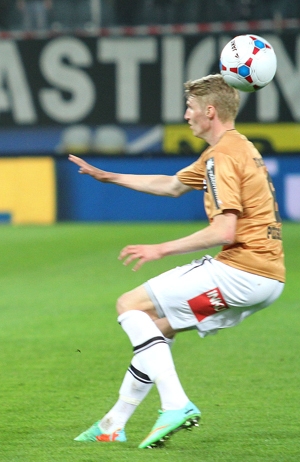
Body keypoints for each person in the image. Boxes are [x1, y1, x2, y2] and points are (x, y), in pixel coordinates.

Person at [70, 74, 285, 449]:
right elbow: (172, 185)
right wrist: (109, 176)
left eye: (190, 108)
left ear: (210, 111)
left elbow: (224, 231)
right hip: (266, 281)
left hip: (240, 269)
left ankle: (175, 404)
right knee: (158, 327)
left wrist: (160, 249)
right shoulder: (237, 147)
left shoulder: (222, 157)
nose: (186, 115)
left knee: (129, 305)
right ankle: (112, 423)